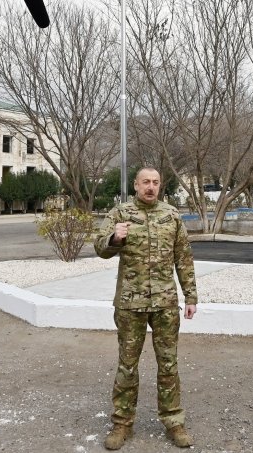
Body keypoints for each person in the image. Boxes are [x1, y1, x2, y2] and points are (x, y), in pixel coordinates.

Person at [93, 166, 198, 450]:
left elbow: (184, 259)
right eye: (145, 182)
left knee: (168, 364)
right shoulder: (120, 214)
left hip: (164, 303)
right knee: (127, 366)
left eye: (155, 182)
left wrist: (190, 296)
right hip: (130, 303)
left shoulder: (171, 215)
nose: (150, 187)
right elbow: (100, 249)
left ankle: (174, 421)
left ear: (160, 185)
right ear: (136, 186)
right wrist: (115, 238)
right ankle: (122, 424)